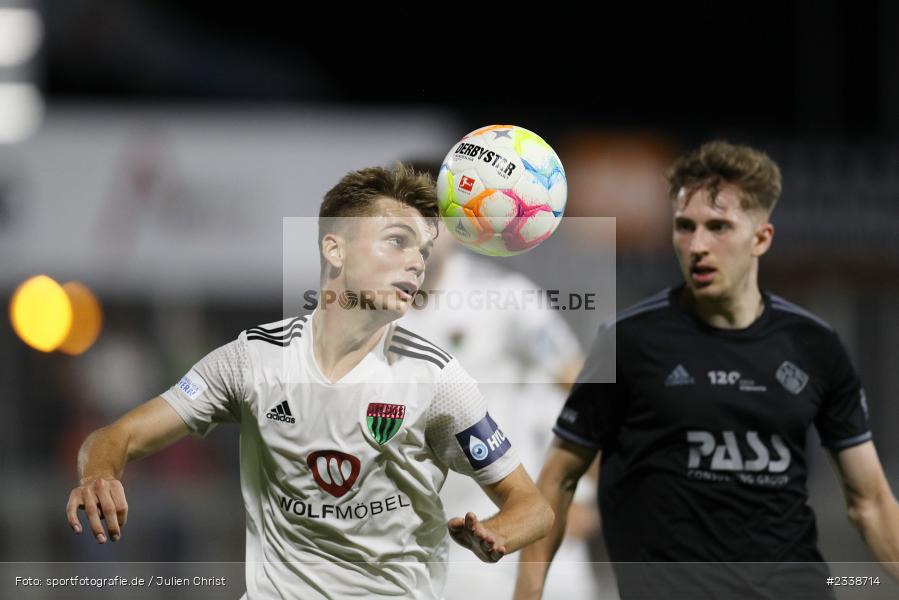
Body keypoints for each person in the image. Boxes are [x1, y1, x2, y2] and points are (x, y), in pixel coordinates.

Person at [65, 163, 553, 599]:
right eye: (398, 241)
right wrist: (99, 473)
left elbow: (531, 504)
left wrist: (498, 532)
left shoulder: (436, 379)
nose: (417, 262)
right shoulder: (251, 360)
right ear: (334, 249)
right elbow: (116, 436)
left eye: (423, 250)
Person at [514, 141, 899, 599]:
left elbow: (870, 501)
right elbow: (558, 478)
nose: (697, 246)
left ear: (761, 238)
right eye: (684, 227)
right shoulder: (629, 342)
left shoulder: (815, 346)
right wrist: (527, 595)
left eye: (718, 227)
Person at [399, 224, 600, 599]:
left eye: (429, 225)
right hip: (430, 535)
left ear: (454, 229)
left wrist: (585, 491)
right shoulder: (373, 318)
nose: (419, 241)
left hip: (521, 523)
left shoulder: (505, 297)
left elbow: (584, 393)